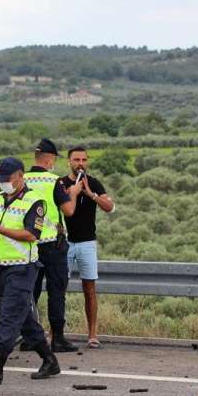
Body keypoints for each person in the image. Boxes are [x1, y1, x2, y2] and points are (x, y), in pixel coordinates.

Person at [0, 157, 61, 385]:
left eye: (7, 179)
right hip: (2, 266)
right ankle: (49, 360)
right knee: (23, 317)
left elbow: (32, 235)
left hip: (23, 267)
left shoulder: (35, 201)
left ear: (20, 176)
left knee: (10, 316)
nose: (2, 183)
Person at [24, 138, 83, 352]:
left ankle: (31, 338)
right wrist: (73, 194)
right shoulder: (53, 181)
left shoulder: (23, 180)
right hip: (53, 245)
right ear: (49, 160)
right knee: (56, 291)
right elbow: (68, 211)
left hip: (28, 243)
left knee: (31, 291)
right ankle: (57, 339)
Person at [58, 146, 114, 349]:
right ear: (69, 162)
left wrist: (90, 193)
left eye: (83, 160)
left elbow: (110, 207)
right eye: (76, 159)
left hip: (87, 243)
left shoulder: (94, 182)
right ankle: (56, 333)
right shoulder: (61, 183)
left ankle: (92, 334)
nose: (80, 163)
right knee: (59, 288)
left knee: (89, 289)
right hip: (63, 243)